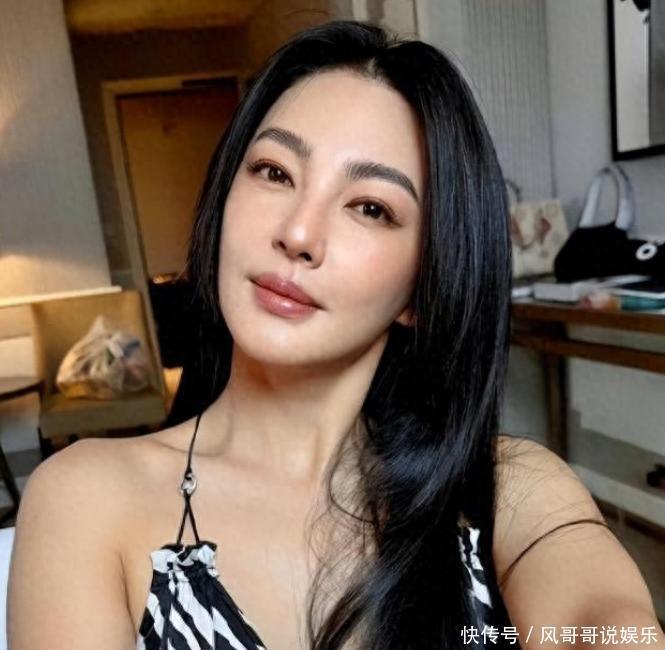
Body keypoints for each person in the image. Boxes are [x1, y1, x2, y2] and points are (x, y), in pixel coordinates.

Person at [7, 19, 663, 650]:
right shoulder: (86, 498)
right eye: (274, 172)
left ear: (422, 288)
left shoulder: (508, 490)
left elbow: (602, 623)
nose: (298, 233)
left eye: (370, 208)